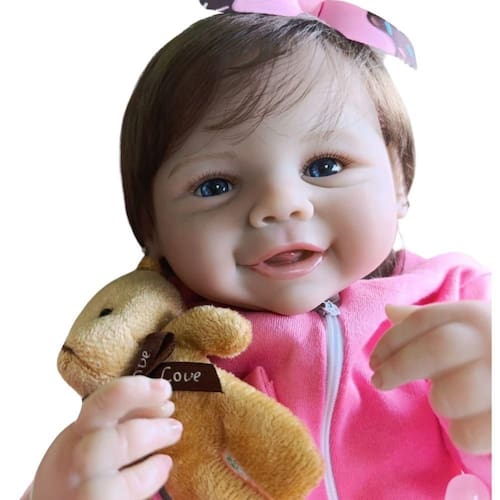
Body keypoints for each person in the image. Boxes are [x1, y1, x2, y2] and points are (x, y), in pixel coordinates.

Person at [23, 3, 491, 499]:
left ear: (398, 180)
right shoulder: (155, 356)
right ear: (150, 228)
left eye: (326, 166)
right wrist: (55, 492)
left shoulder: (460, 307)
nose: (280, 204)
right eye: (216, 185)